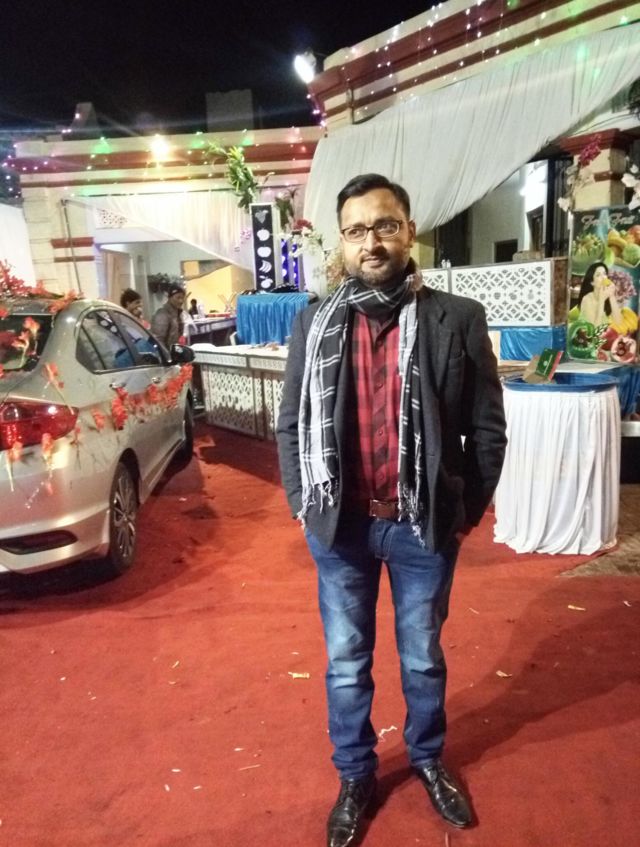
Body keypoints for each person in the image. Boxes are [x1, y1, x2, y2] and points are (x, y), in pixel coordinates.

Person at [276, 173, 507, 847]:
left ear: (408, 231)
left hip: (420, 526)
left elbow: (487, 428)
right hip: (340, 526)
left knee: (422, 657)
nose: (371, 242)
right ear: (341, 242)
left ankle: (428, 758)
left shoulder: (455, 318)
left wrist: (464, 510)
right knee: (347, 660)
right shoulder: (314, 321)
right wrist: (301, 500)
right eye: (356, 230)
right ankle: (355, 774)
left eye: (384, 225)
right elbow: (290, 423)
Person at [578, 262, 623, 327]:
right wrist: (601, 300)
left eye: (604, 274)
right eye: (598, 275)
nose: (603, 277)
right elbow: (595, 330)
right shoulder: (587, 299)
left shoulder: (607, 295)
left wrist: (611, 296)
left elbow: (619, 323)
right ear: (592, 282)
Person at [150, 283, 186, 349]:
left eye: (182, 298)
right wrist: (166, 354)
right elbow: (158, 340)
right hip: (165, 353)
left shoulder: (178, 313)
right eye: (178, 297)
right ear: (170, 297)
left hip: (173, 351)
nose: (181, 301)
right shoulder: (162, 314)